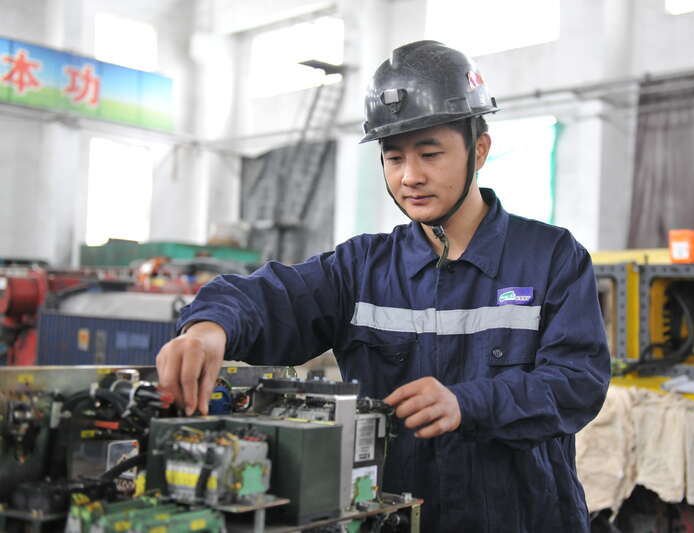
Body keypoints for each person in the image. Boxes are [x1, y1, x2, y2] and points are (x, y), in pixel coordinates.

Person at [156, 40, 610, 532]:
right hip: (394, 520)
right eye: (394, 159)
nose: (410, 177)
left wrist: (468, 402)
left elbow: (577, 382)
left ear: (479, 149)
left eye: (430, 154)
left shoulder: (551, 257)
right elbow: (273, 297)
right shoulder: (361, 269)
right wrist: (207, 329)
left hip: (522, 518)